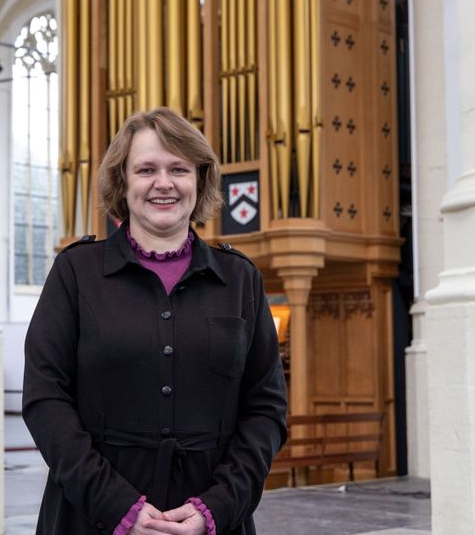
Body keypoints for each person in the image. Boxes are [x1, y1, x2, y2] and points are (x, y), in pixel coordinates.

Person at [23, 108, 288, 535]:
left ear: (199, 180)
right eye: (146, 169)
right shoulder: (76, 272)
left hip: (211, 518)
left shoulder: (240, 278)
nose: (163, 183)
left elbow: (266, 409)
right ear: (122, 182)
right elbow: (45, 399)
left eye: (178, 169)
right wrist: (117, 506)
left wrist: (216, 507)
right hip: (91, 517)